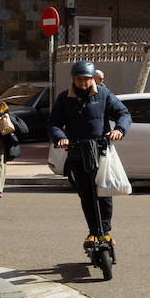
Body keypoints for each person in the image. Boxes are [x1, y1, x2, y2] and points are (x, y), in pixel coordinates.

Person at [48, 60, 131, 252]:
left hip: (101, 151)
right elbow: (53, 123)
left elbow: (123, 114)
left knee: (104, 192)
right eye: (79, 79)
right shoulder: (64, 98)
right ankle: (93, 231)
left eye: (86, 79)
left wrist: (119, 130)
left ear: (92, 78)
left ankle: (106, 231)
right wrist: (61, 138)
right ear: (74, 79)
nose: (83, 83)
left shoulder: (103, 94)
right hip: (77, 152)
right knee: (86, 194)